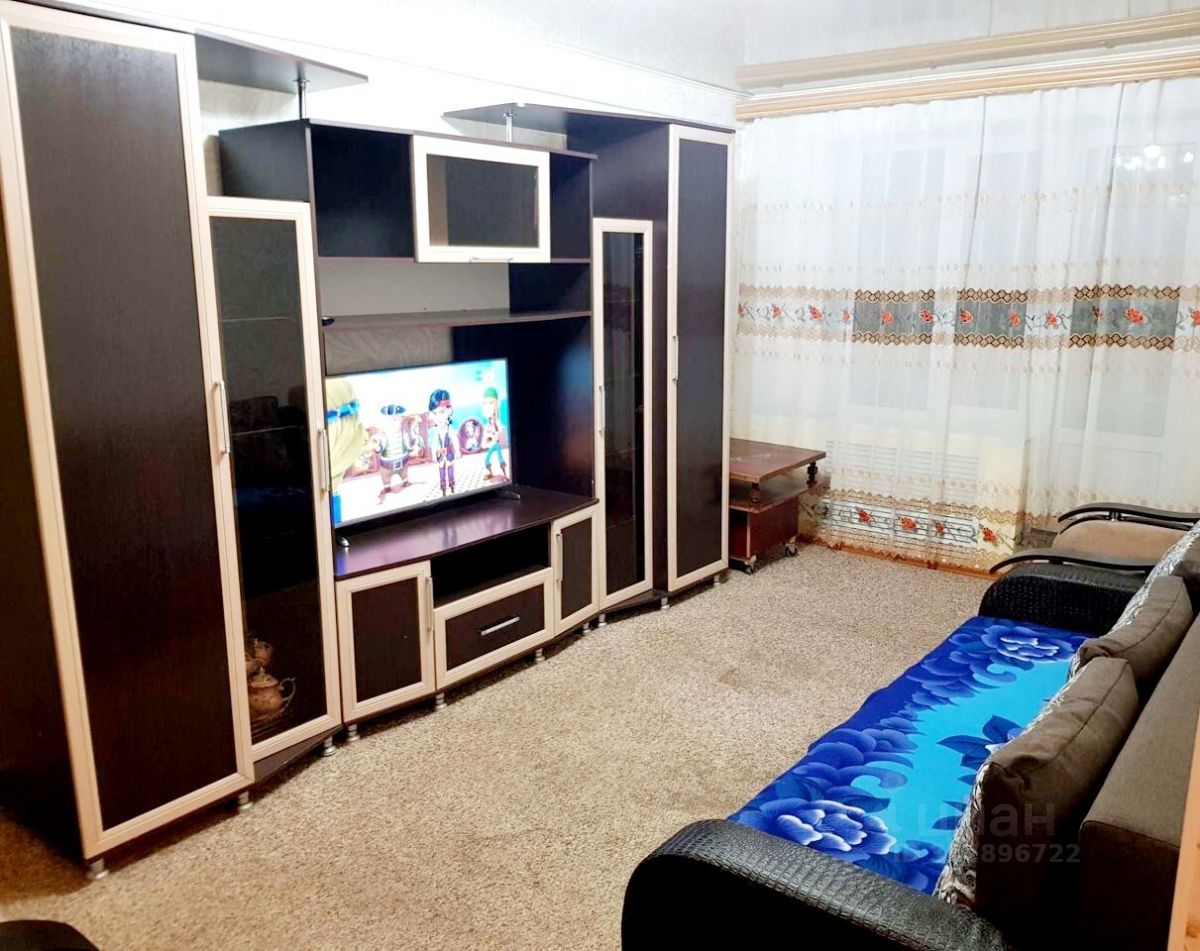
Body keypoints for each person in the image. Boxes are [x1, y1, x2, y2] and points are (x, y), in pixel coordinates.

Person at [374, 403, 412, 503]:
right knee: (386, 475)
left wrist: (411, 444)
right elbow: (380, 446)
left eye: (395, 419)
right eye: (389, 420)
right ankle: (387, 486)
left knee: (404, 472)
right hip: (388, 464)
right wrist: (377, 447)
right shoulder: (383, 436)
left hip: (403, 460)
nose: (392, 422)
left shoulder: (404, 433)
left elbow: (408, 444)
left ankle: (405, 480)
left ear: (400, 420)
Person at [429, 388, 456, 496]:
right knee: (441, 471)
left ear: (449, 411)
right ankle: (443, 488)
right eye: (435, 413)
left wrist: (458, 451)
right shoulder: (435, 432)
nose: (438, 417)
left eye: (442, 412)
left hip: (449, 454)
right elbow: (434, 445)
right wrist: (433, 455)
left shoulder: (450, 429)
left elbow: (455, 440)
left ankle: (452, 486)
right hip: (440, 456)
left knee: (450, 470)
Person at [480, 386, 507, 481]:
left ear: (497, 404)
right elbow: (484, 443)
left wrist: (497, 435)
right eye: (485, 403)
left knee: (500, 459)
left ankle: (504, 474)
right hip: (492, 445)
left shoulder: (497, 422)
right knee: (487, 460)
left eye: (491, 403)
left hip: (496, 445)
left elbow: (501, 433)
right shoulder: (488, 423)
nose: (487, 406)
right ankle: (490, 473)